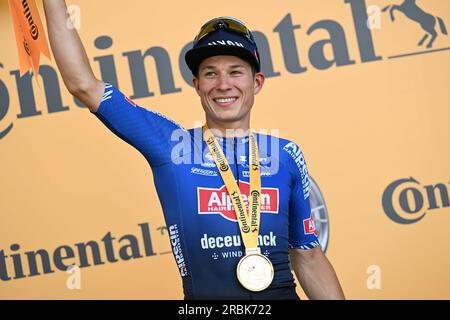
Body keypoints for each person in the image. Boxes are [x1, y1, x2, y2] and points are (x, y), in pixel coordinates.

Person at [43, 0, 345, 300]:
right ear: (197, 84)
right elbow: (83, 84)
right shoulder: (172, 146)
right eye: (211, 73)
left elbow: (309, 257)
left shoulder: (285, 155)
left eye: (236, 72)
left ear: (257, 83)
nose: (223, 84)